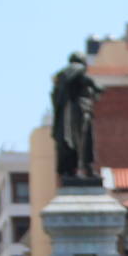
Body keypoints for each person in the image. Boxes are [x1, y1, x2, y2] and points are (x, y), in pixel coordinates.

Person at [51, 52, 103, 180]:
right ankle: (86, 169)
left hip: (72, 113)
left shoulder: (61, 76)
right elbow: (86, 80)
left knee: (75, 141)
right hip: (79, 111)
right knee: (82, 140)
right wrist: (97, 88)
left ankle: (73, 170)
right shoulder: (76, 68)